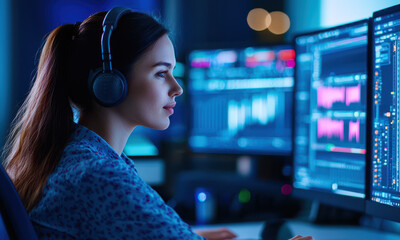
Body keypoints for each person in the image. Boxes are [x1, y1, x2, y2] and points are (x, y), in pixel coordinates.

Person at [2, 7, 312, 240]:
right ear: (110, 83)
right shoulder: (98, 174)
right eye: (161, 73)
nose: (177, 88)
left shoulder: (75, 154)